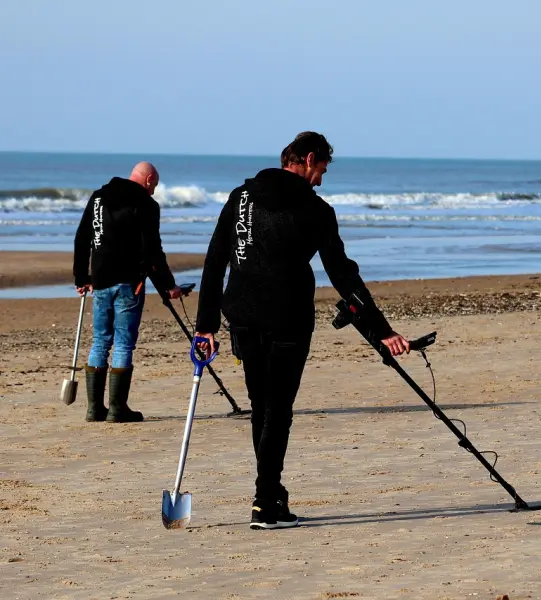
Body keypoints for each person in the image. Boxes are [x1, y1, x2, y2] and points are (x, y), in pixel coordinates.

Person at [194, 131, 410, 530]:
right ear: (309, 159)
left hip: (240, 314)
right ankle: (264, 500)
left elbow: (215, 262)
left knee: (264, 407)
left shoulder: (241, 198)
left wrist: (204, 327)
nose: (321, 180)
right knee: (277, 410)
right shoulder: (315, 210)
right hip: (287, 319)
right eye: (322, 169)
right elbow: (343, 275)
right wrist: (382, 330)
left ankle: (272, 495)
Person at [73, 162, 182, 423]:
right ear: (149, 179)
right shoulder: (145, 204)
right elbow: (152, 250)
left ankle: (94, 408)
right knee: (122, 342)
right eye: (154, 185)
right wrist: (169, 285)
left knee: (100, 341)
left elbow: (83, 237)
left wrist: (81, 277)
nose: (154, 190)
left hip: (99, 280)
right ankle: (117, 408)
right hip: (128, 283)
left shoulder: (99, 197)